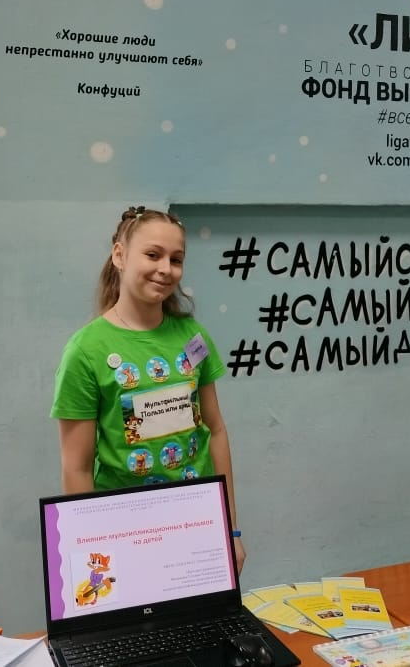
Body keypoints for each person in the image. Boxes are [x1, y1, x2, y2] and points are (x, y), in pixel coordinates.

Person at [51, 205, 246, 573]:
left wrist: (230, 529)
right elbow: (76, 468)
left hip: (196, 524)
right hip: (124, 532)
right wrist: (89, 554)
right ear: (119, 255)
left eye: (176, 259)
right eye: (153, 255)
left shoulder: (193, 337)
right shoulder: (86, 351)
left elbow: (216, 431)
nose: (165, 269)